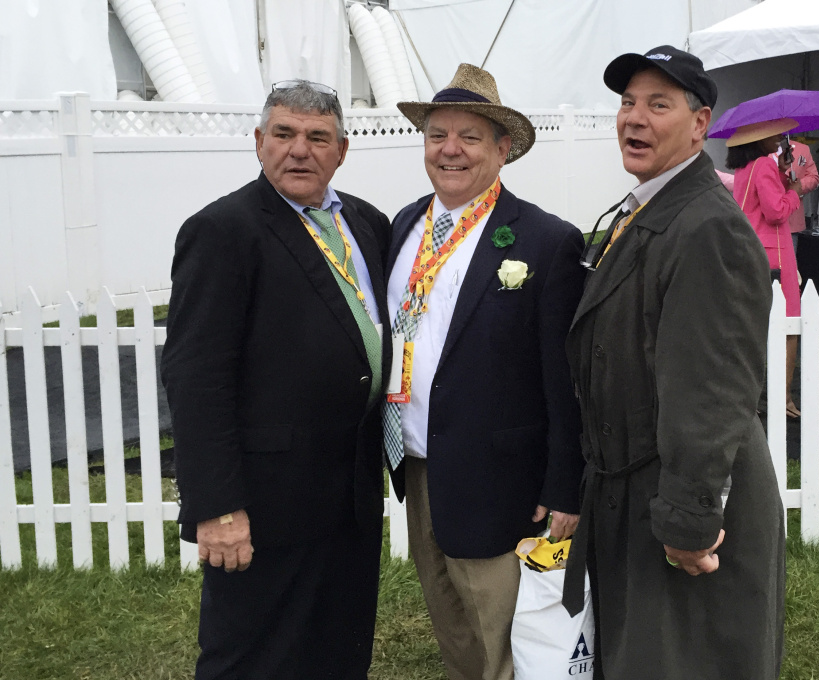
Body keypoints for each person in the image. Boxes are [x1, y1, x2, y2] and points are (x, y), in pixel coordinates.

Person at [561, 45, 785, 680]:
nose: (635, 118)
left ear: (699, 123)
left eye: (658, 104)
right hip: (635, 491)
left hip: (683, 508)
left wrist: (688, 521)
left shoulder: (706, 228)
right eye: (628, 103)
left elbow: (711, 391)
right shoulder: (648, 209)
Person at [160, 80, 391, 679]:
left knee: (338, 652)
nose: (300, 150)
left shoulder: (366, 224)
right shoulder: (223, 230)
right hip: (264, 506)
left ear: (342, 150)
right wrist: (216, 506)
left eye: (318, 138)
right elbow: (196, 376)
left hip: (349, 498)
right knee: (251, 658)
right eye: (284, 134)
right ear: (259, 142)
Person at [384, 63, 586, 680]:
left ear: (503, 150)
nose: (450, 150)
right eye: (437, 134)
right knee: (453, 632)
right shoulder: (403, 226)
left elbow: (565, 377)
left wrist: (564, 486)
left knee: (506, 640)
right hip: (417, 466)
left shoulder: (546, 241)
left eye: (470, 137)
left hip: (504, 483)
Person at [726, 119, 804, 418]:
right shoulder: (765, 165)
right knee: (789, 328)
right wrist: (795, 189)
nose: (781, 138)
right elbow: (776, 211)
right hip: (775, 255)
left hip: (750, 249)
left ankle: (750, 396)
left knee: (753, 328)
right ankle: (783, 397)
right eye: (775, 133)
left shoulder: (746, 168)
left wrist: (784, 173)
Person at [786, 139, 819, 247]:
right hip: (764, 221)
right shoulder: (760, 149)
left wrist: (799, 186)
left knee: (789, 262)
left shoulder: (802, 149)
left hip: (791, 221)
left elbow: (814, 178)